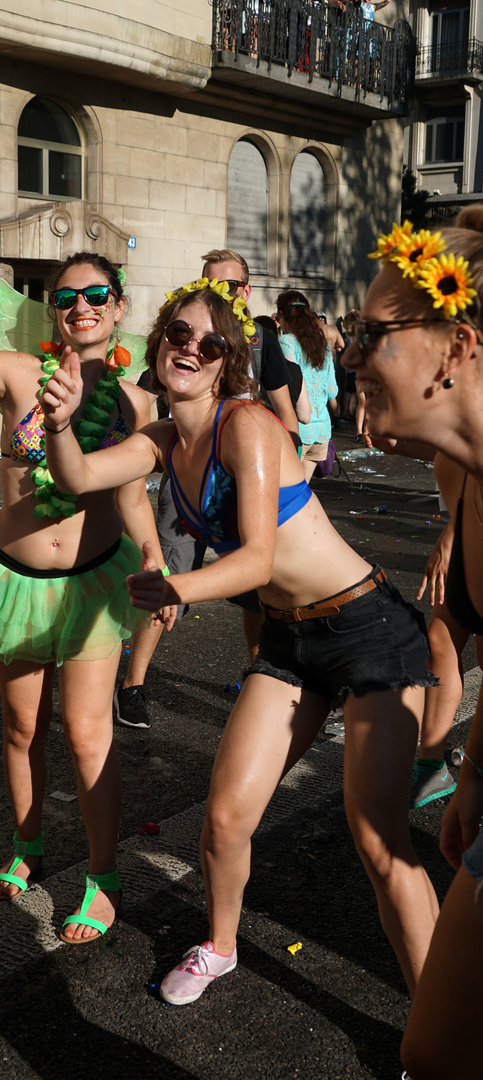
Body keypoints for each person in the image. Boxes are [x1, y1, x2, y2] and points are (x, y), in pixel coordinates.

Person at [41, 279, 439, 1004]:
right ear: (159, 344)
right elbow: (76, 474)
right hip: (291, 641)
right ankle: (220, 946)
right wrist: (60, 421)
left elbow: (256, 559)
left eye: (210, 342)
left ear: (228, 362)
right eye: (178, 335)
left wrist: (174, 589)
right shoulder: (163, 439)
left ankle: (444, 1024)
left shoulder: (248, 425)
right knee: (225, 821)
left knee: (380, 844)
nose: (190, 349)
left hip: (367, 627)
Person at [0, 248, 168, 943]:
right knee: (20, 730)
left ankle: (102, 877)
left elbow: (133, 491)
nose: (82, 307)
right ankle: (28, 846)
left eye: (97, 295)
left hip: (90, 584)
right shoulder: (18, 374)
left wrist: (159, 557)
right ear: (53, 308)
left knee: (86, 734)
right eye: (66, 296)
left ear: (119, 305)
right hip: (13, 582)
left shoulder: (136, 400)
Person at [340, 211, 483, 1080]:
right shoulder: (458, 475)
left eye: (372, 336)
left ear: (457, 345)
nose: (351, 358)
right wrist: (472, 778)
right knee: (433, 1052)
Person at [114, 250, 300, 728]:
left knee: (254, 593)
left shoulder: (260, 349)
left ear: (247, 293)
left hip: (242, 474)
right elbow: (89, 467)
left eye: (231, 288)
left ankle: (264, 671)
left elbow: (282, 403)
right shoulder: (182, 349)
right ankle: (132, 683)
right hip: (185, 479)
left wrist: (292, 464)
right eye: (212, 285)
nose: (195, 346)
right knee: (168, 570)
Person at [410, 453, 483, 809]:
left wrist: (453, 533)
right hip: (469, 533)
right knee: (440, 640)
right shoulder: (447, 447)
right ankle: (431, 765)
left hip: (470, 533)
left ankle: (475, 776)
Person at [276, 290, 338, 482]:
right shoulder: (323, 345)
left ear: (283, 316)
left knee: (285, 491)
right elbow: (332, 390)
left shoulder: (287, 342)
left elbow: (287, 386)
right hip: (322, 430)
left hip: (298, 428)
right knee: (301, 491)